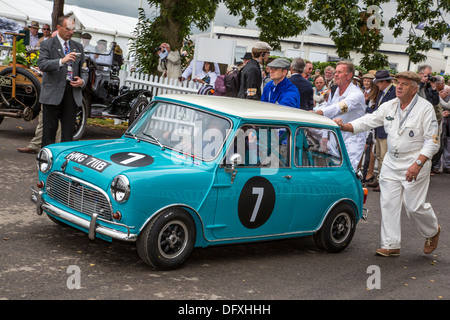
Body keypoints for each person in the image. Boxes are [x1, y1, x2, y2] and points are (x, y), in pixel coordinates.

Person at [334, 71, 441, 257]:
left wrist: (418, 164)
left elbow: (432, 140)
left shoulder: (425, 108)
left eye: (404, 84)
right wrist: (346, 126)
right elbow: (369, 120)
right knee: (388, 202)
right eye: (398, 83)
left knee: (414, 206)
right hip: (392, 162)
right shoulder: (390, 105)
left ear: (415, 89)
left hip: (415, 161)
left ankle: (432, 231)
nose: (399, 87)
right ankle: (391, 244)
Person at [38, 15, 88, 147]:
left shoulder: (78, 46)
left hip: (71, 93)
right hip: (52, 93)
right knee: (49, 133)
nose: (71, 32)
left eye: (73, 29)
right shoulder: (47, 44)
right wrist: (62, 61)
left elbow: (84, 69)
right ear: (59, 28)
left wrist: (82, 81)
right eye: (68, 29)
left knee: (68, 134)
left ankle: (65, 164)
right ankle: (46, 162)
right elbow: (42, 64)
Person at [315, 61, 366, 170]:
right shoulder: (336, 91)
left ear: (349, 75)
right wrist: (325, 136)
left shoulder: (356, 94)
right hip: (336, 138)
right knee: (335, 171)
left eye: (339, 72)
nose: (336, 75)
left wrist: (316, 113)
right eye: (335, 72)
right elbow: (327, 111)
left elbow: (338, 108)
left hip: (352, 140)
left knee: (348, 172)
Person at [365, 70, 397, 191]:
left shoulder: (393, 92)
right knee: (379, 155)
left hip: (386, 129)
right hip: (379, 129)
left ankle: (384, 182)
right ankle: (379, 179)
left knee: (384, 157)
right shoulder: (383, 92)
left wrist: (368, 109)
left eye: (378, 82)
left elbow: (386, 112)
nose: (376, 85)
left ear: (383, 82)